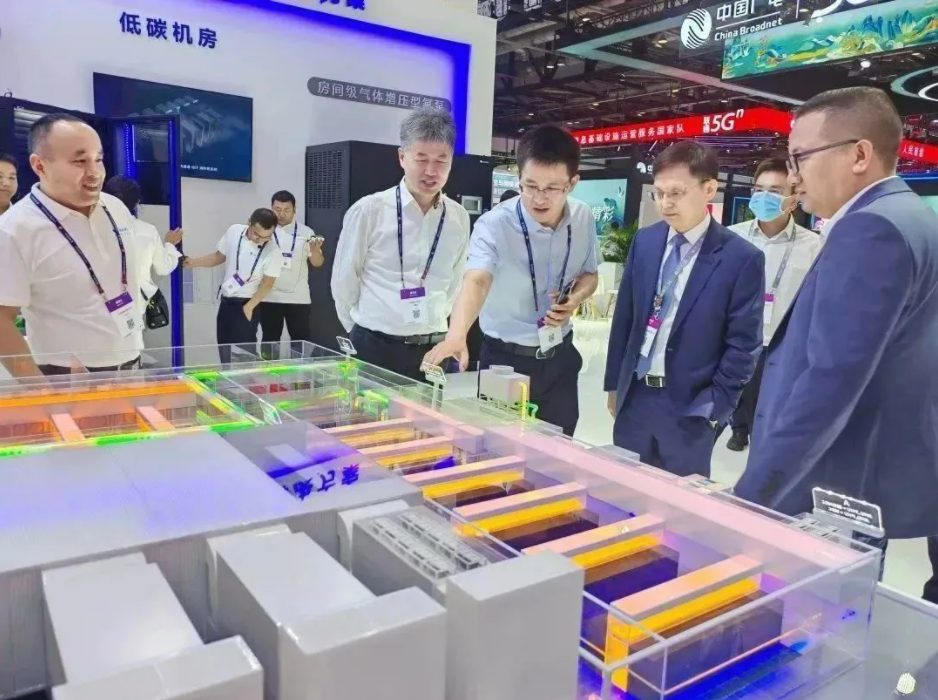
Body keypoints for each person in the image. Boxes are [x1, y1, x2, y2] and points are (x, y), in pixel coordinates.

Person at [733, 87, 938, 604]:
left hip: (837, 476)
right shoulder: (912, 216)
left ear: (859, 154)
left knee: (816, 618)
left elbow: (830, 380)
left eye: (801, 156)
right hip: (872, 466)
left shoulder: (870, 229)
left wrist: (752, 498)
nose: (793, 176)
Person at [424, 125, 599, 436]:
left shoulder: (583, 217)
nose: (539, 198)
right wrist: (457, 334)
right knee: (500, 448)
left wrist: (574, 299)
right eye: (529, 186)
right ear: (519, 178)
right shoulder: (495, 225)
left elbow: (590, 274)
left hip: (560, 357)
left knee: (559, 447)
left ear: (573, 183)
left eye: (552, 188)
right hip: (505, 361)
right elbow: (477, 280)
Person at [604, 141, 764, 477]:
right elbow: (626, 319)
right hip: (635, 396)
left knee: (679, 503)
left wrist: (714, 407)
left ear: (709, 189)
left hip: (691, 407)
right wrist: (615, 385)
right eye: (659, 193)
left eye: (676, 193)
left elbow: (744, 343)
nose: (666, 203)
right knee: (625, 490)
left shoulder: (740, 258)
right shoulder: (645, 241)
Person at [331, 108, 471, 381]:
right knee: (367, 410)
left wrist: (433, 322)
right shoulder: (369, 210)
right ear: (402, 157)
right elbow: (344, 280)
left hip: (432, 351)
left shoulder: (458, 217)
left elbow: (456, 281)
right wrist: (360, 329)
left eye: (441, 161)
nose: (431, 171)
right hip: (373, 345)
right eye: (422, 159)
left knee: (427, 412)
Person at [0, 114, 143, 378]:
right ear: (40, 165)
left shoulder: (115, 208)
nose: (95, 172)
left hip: (132, 366)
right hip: (67, 377)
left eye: (98, 159)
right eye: (80, 161)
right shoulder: (14, 230)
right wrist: (40, 389)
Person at [725, 159, 821, 452]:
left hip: (780, 344)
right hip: (734, 338)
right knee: (735, 398)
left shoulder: (814, 246)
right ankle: (738, 429)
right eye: (759, 189)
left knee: (767, 413)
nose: (764, 196)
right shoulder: (731, 237)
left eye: (775, 191)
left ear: (793, 198)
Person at [184, 208, 283, 364]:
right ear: (249, 222)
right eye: (256, 234)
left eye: (266, 237)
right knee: (225, 352)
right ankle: (225, 378)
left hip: (246, 303)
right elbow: (219, 257)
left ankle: (247, 380)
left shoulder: (273, 251)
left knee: (244, 358)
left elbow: (268, 283)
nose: (259, 239)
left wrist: (249, 308)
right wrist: (194, 262)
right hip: (226, 302)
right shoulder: (234, 231)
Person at [102, 175, 183, 328]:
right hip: (135, 307)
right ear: (137, 202)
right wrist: (170, 245)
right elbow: (163, 268)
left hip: (99, 308)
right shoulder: (147, 231)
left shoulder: (95, 229)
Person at [259, 190, 324, 355]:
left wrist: (315, 250)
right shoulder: (263, 231)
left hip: (298, 298)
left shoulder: (306, 232)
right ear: (271, 208)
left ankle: (300, 373)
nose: (281, 214)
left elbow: (317, 263)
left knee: (300, 341)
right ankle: (269, 372)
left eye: (286, 210)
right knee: (269, 341)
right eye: (277, 209)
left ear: (295, 210)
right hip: (269, 296)